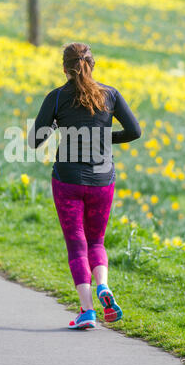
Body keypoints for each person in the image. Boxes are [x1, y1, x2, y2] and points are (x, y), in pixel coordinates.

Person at [28, 42, 142, 329]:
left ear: (65, 69)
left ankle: (88, 311)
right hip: (103, 180)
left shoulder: (56, 98)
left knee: (76, 244)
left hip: (67, 180)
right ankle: (103, 285)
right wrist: (103, 138)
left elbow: (33, 142)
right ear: (93, 64)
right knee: (96, 241)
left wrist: (57, 125)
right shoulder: (110, 94)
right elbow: (134, 131)